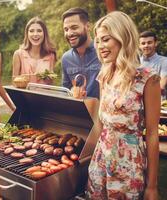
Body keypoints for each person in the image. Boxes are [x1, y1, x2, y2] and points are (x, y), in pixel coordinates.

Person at [87, 11, 159, 199]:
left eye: (106, 39)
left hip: (128, 165)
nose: (100, 46)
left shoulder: (148, 78)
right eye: (98, 41)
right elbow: (100, 121)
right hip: (100, 160)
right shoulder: (105, 73)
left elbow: (152, 135)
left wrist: (152, 187)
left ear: (123, 37)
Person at [61, 7, 101, 98]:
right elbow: (65, 91)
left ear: (87, 27)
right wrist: (72, 91)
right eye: (66, 30)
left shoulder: (102, 50)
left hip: (101, 110)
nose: (69, 33)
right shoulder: (66, 58)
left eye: (74, 28)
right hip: (77, 110)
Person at [12, 16, 56, 84]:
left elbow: (51, 83)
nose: (35, 34)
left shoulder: (51, 55)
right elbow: (14, 83)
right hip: (23, 94)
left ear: (44, 34)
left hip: (43, 94)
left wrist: (49, 78)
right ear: (27, 34)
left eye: (39, 31)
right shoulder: (18, 54)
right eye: (31, 31)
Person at [139, 31, 167, 99]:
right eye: (143, 43)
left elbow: (161, 85)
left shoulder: (164, 61)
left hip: (157, 102)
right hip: (136, 104)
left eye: (149, 42)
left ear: (156, 43)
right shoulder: (135, 62)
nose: (146, 45)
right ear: (139, 46)